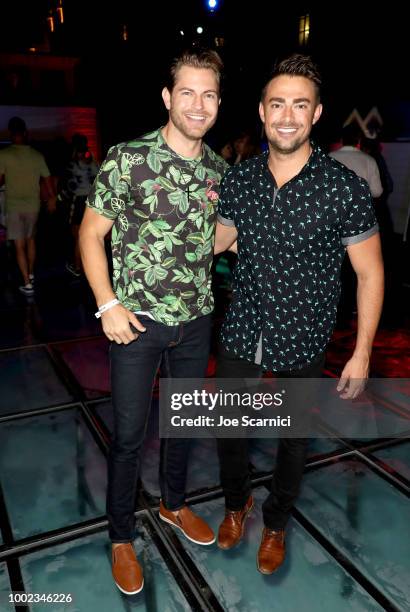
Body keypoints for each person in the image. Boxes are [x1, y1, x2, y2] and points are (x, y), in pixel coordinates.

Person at [214, 54, 384, 575]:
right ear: (263, 112)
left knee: (292, 439)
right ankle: (236, 503)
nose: (287, 115)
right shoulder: (239, 180)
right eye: (278, 104)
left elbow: (371, 274)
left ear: (316, 115)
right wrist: (188, 213)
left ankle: (277, 521)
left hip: (304, 336)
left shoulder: (344, 188)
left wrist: (361, 354)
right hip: (243, 327)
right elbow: (218, 242)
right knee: (230, 430)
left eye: (300, 105)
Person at [79, 48, 227, 596]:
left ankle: (173, 505)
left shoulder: (218, 169)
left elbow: (213, 240)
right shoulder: (128, 159)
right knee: (129, 435)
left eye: (208, 94)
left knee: (184, 424)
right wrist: (107, 304)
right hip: (136, 324)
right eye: (186, 92)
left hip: (196, 320)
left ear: (218, 103)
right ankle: (121, 536)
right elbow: (91, 233)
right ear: (168, 97)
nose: (198, 103)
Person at [0, 117, 56, 295]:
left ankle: (27, 283)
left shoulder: (4, 155)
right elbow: (47, 178)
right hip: (33, 205)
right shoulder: (36, 155)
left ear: (11, 134)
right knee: (31, 240)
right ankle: (31, 274)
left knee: (19, 245)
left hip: (14, 205)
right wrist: (52, 198)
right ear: (25, 133)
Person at [58, 134, 99, 276]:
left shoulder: (73, 164)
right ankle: (93, 267)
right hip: (93, 202)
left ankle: (77, 268)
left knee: (79, 237)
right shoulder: (93, 162)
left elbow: (70, 188)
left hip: (80, 203)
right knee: (92, 236)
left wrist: (57, 198)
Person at [329, 123, 383, 198]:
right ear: (359, 141)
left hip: (335, 206)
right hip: (359, 207)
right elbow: (377, 192)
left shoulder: (330, 157)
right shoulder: (369, 160)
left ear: (341, 140)